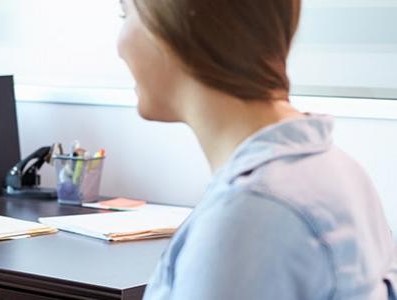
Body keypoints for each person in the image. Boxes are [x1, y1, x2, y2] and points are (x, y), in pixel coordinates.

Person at [115, 0, 397, 299]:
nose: (119, 49)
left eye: (125, 14)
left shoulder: (248, 218)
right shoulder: (339, 169)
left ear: (177, 25)